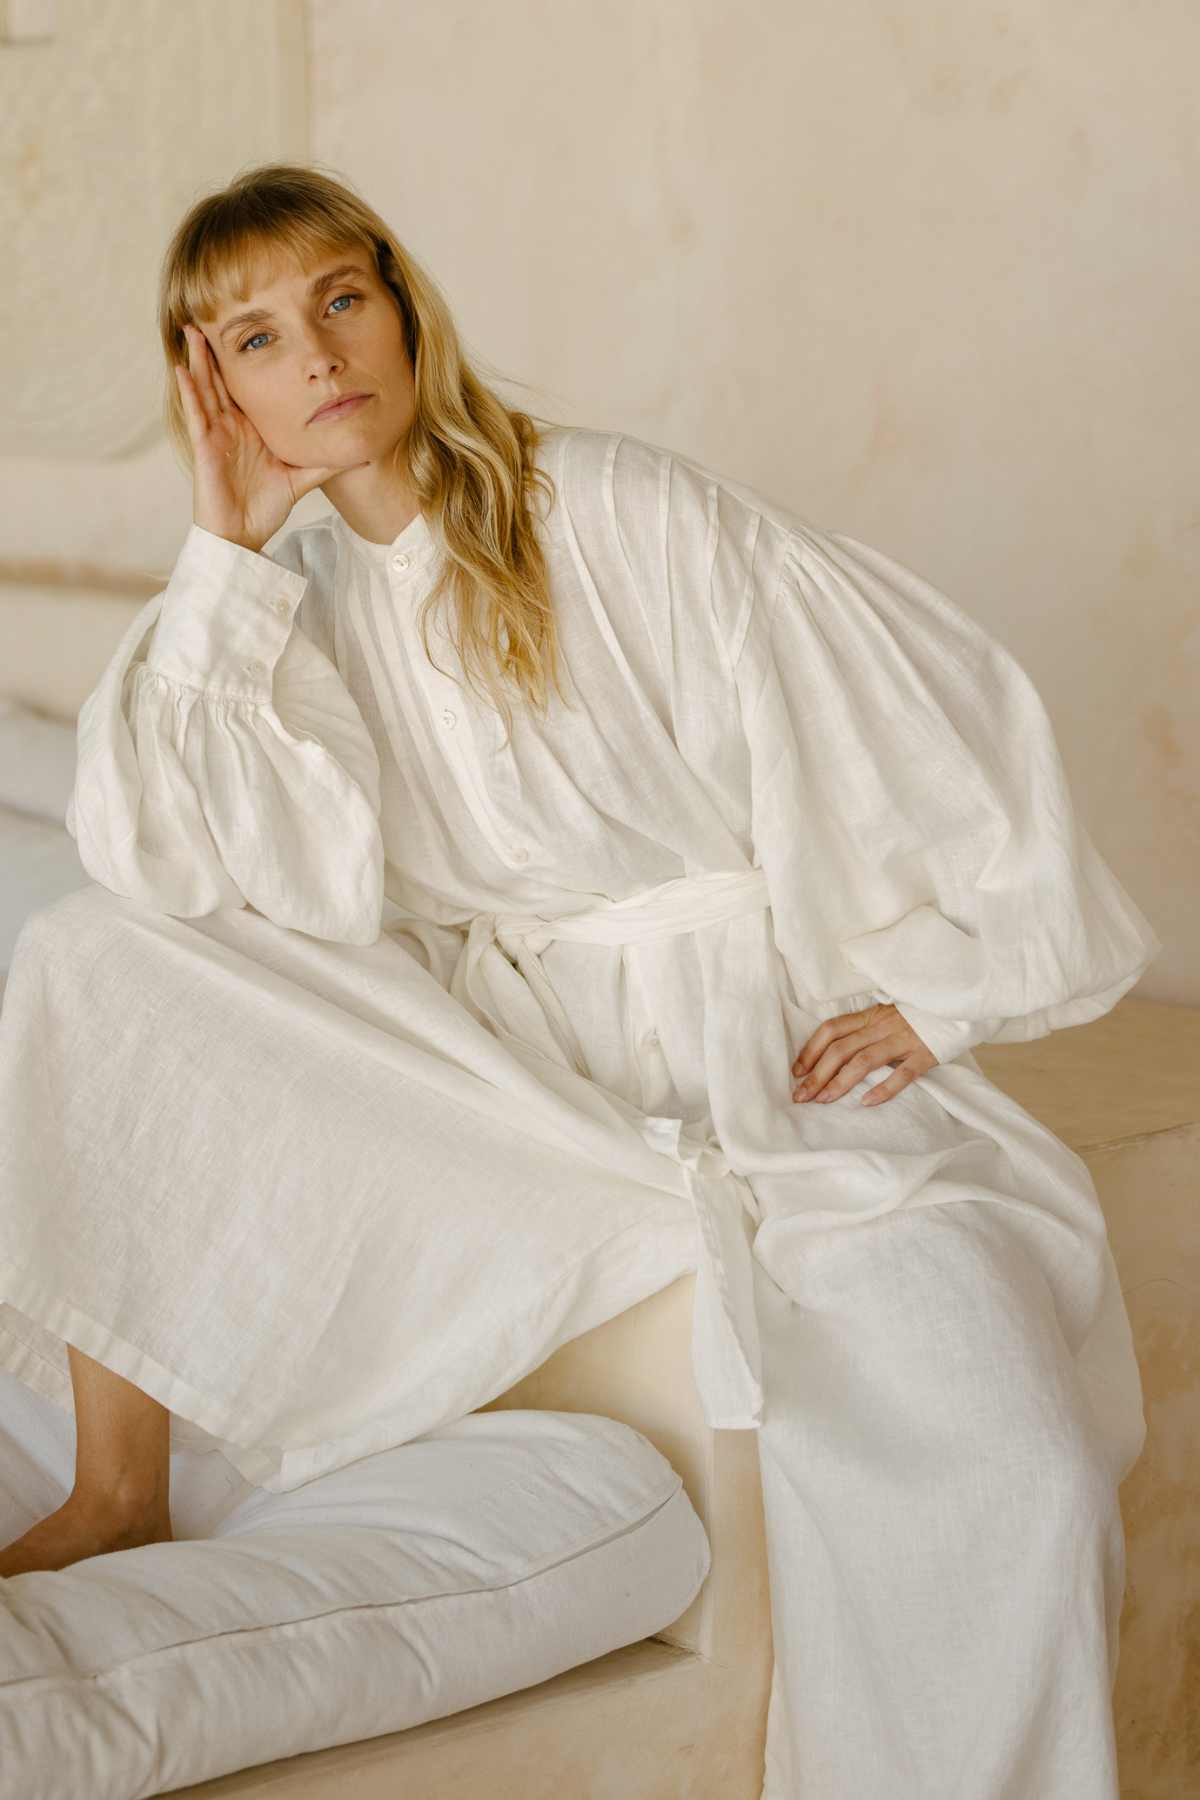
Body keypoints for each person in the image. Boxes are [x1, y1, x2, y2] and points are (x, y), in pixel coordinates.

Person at [0, 163, 1162, 1796]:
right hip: (513, 1097)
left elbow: (908, 700)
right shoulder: (289, 613)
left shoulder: (613, 507)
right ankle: (115, 1487)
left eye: (341, 299)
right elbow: (169, 865)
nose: (318, 356)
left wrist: (951, 989)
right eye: (256, 339)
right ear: (216, 392)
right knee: (87, 954)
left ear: (403, 306)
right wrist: (220, 553)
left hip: (755, 1073)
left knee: (1013, 1472)